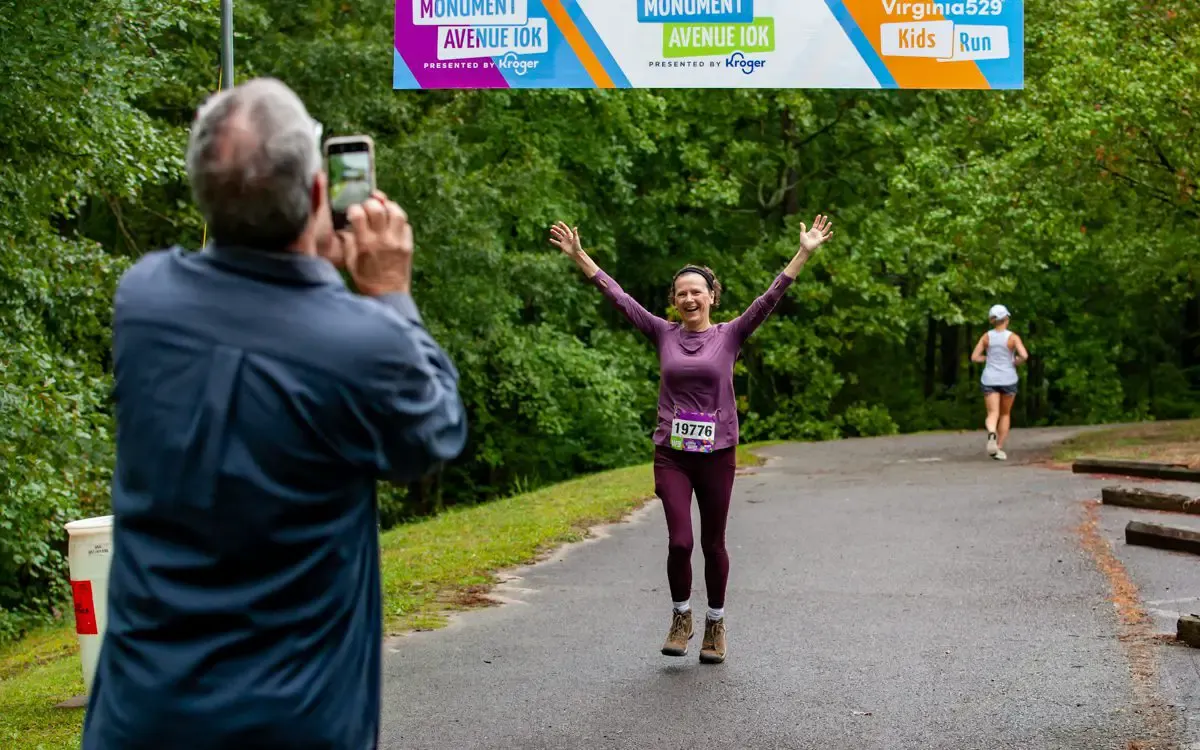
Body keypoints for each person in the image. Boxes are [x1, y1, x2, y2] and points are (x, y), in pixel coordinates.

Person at [82, 78, 467, 750]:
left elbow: (261, 317)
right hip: (292, 726)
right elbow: (434, 434)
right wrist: (389, 294)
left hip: (138, 721)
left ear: (202, 193)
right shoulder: (362, 344)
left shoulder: (143, 300)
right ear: (319, 194)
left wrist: (309, 262)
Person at [548, 216, 833, 664]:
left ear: (712, 297)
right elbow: (618, 297)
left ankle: (715, 623)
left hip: (718, 454)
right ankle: (681, 616)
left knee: (713, 543)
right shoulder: (662, 333)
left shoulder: (730, 334)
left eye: (696, 291)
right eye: (681, 293)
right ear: (674, 301)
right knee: (680, 541)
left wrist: (804, 252)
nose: (689, 298)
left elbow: (770, 298)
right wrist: (579, 255)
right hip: (672, 454)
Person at [970, 304, 1028, 461]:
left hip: (990, 379)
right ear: (1006, 319)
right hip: (1008, 379)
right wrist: (1015, 361)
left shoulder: (986, 337)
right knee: (1005, 414)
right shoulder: (1013, 337)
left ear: (992, 321)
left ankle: (991, 433)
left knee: (992, 413)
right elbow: (1024, 355)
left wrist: (987, 358)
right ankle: (999, 447)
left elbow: (974, 357)